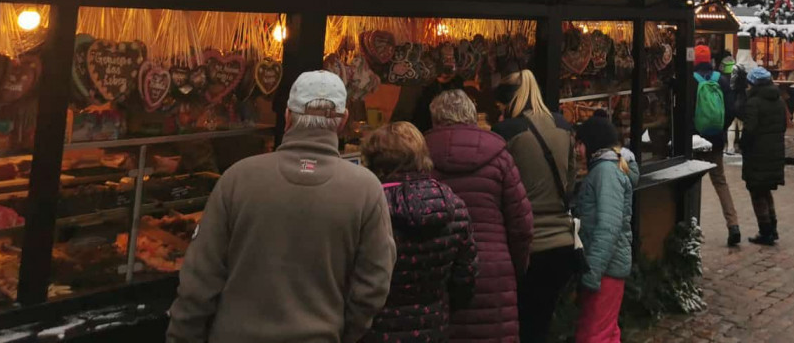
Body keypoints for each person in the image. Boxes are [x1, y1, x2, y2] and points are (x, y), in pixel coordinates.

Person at [166, 70, 396, 343]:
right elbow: (374, 285)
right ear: (343, 121)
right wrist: (343, 332)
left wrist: (182, 336)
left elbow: (200, 279)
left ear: (287, 117)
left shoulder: (238, 178)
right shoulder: (366, 189)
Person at [426, 89, 534, 343]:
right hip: (494, 270)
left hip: (439, 271)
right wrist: (515, 266)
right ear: (473, 117)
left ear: (434, 120)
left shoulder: (420, 157)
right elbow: (522, 224)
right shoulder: (500, 157)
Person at [361, 121, 479, 343]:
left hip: (375, 327)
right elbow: (466, 276)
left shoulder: (365, 208)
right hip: (433, 326)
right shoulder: (454, 205)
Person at [492, 69, 578, 343]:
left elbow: (498, 187)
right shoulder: (563, 125)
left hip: (526, 246)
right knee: (541, 324)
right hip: (562, 243)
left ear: (508, 102)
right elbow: (571, 183)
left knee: (520, 326)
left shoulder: (507, 131)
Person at [573, 111, 639, 343]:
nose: (577, 150)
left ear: (591, 144)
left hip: (605, 269)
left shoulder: (604, 172)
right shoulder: (608, 169)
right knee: (606, 331)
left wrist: (592, 273)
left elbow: (608, 227)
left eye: (580, 144)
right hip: (607, 268)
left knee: (594, 334)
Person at [690, 44, 740, 246]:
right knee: (720, 182)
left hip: (695, 141)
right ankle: (733, 225)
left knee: (692, 184)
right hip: (716, 140)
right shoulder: (722, 80)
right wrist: (720, 129)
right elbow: (730, 110)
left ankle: (690, 227)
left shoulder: (691, 81)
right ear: (710, 60)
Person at [739, 65, 787, 247]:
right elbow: (783, 125)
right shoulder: (779, 100)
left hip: (758, 153)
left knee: (757, 191)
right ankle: (772, 228)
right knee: (765, 191)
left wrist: (743, 145)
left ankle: (765, 230)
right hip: (774, 152)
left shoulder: (754, 102)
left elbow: (749, 130)